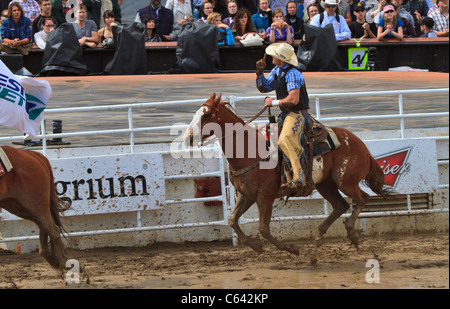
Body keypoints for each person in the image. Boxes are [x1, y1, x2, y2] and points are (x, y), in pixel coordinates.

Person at [255, 42, 311, 190]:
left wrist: (273, 102)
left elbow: (294, 100)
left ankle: (298, 174)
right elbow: (265, 87)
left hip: (297, 112)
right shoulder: (277, 70)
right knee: (267, 137)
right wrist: (259, 73)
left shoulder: (293, 73)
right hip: (286, 112)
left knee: (285, 138)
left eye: (275, 55)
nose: (272, 57)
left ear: (281, 58)